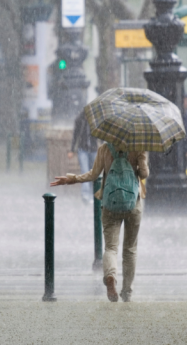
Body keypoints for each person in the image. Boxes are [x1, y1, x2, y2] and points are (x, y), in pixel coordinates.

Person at [51, 143, 149, 303]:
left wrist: (73, 179)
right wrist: (139, 162)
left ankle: (110, 275)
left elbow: (93, 175)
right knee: (130, 249)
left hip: (110, 203)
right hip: (133, 203)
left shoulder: (105, 148)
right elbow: (144, 174)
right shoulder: (138, 146)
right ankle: (127, 292)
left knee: (111, 247)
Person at [68, 111, 100, 204]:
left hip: (93, 150)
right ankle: (85, 195)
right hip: (83, 150)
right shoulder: (79, 120)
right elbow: (75, 135)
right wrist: (72, 150)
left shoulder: (95, 121)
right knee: (85, 171)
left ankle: (92, 194)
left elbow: (100, 135)